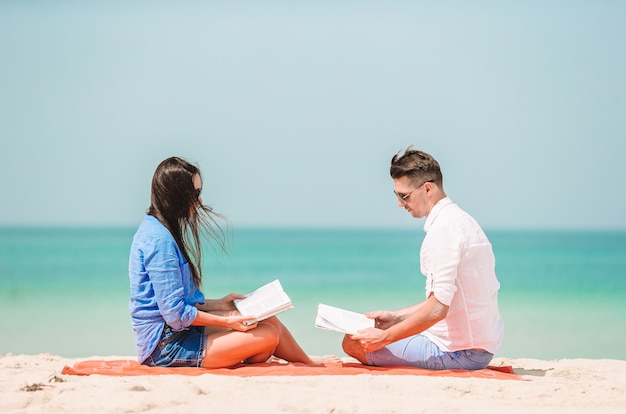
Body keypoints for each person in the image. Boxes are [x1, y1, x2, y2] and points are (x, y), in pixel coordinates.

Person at [129, 156, 337, 368]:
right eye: (195, 193)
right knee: (267, 336)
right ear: (176, 195)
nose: (200, 201)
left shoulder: (162, 231)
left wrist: (219, 304)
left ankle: (309, 362)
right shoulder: (158, 240)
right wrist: (227, 321)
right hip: (165, 347)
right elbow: (175, 315)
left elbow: (177, 303)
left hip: (180, 332)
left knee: (266, 321)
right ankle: (253, 353)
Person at [342, 147, 504, 370]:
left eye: (404, 196)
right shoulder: (463, 221)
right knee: (372, 333)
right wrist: (395, 317)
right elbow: (444, 299)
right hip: (481, 347)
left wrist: (384, 338)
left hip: (459, 353)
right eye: (397, 196)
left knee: (353, 342)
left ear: (427, 188)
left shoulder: (443, 232)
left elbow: (438, 309)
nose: (400, 203)